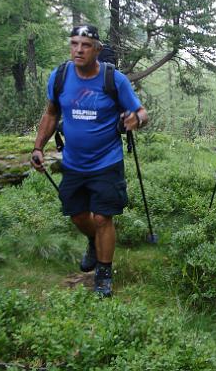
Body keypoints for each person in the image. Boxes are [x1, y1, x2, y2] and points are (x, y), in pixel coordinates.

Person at [31, 24, 148, 297]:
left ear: (97, 49)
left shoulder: (114, 79)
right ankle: (94, 244)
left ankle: (104, 274)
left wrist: (136, 120)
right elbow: (50, 114)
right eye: (74, 44)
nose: (78, 50)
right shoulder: (59, 77)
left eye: (85, 45)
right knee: (77, 214)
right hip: (73, 162)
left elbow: (142, 112)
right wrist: (38, 147)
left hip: (106, 161)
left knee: (102, 217)